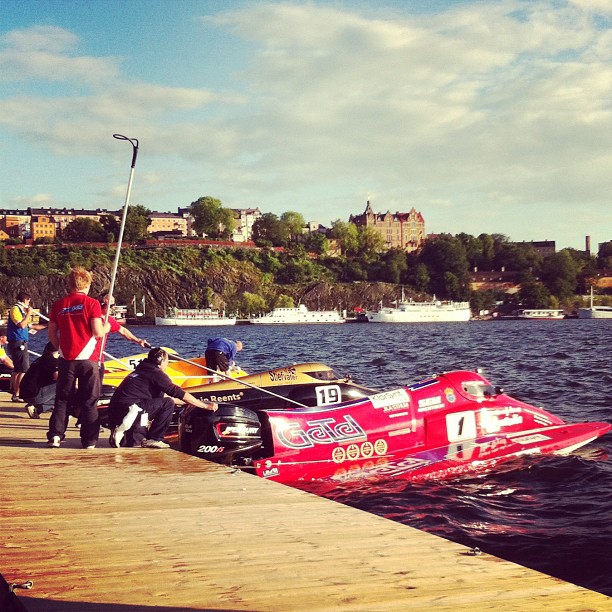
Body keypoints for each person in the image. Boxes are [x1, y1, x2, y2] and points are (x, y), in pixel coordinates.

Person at [47, 267, 110, 449]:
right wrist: (106, 328)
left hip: (66, 358)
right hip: (88, 358)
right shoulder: (92, 303)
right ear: (87, 284)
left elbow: (52, 333)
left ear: (70, 284)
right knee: (89, 400)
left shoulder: (59, 305)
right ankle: (89, 440)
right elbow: (97, 332)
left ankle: (55, 436)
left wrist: (61, 348)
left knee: (62, 399)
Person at [108, 347, 217, 449]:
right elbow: (177, 393)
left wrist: (191, 402)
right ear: (161, 361)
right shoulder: (155, 373)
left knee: (167, 402)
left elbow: (164, 399)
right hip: (130, 410)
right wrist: (205, 406)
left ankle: (121, 431)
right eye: (167, 362)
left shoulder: (140, 371)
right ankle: (154, 439)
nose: (167, 365)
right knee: (168, 403)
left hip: (120, 412)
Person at [6, 291, 41, 402]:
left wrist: (49, 326)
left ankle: (15, 393)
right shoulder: (15, 309)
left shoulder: (20, 311)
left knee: (18, 369)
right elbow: (21, 325)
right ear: (25, 300)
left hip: (20, 341)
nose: (28, 304)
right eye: (28, 301)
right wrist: (29, 313)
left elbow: (30, 326)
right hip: (18, 342)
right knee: (24, 369)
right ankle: (18, 394)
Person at [20, 341, 59, 419]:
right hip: (34, 395)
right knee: (63, 387)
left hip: (25, 394)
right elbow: (58, 377)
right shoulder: (53, 361)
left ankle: (37, 407)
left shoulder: (40, 359)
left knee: (58, 392)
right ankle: (38, 409)